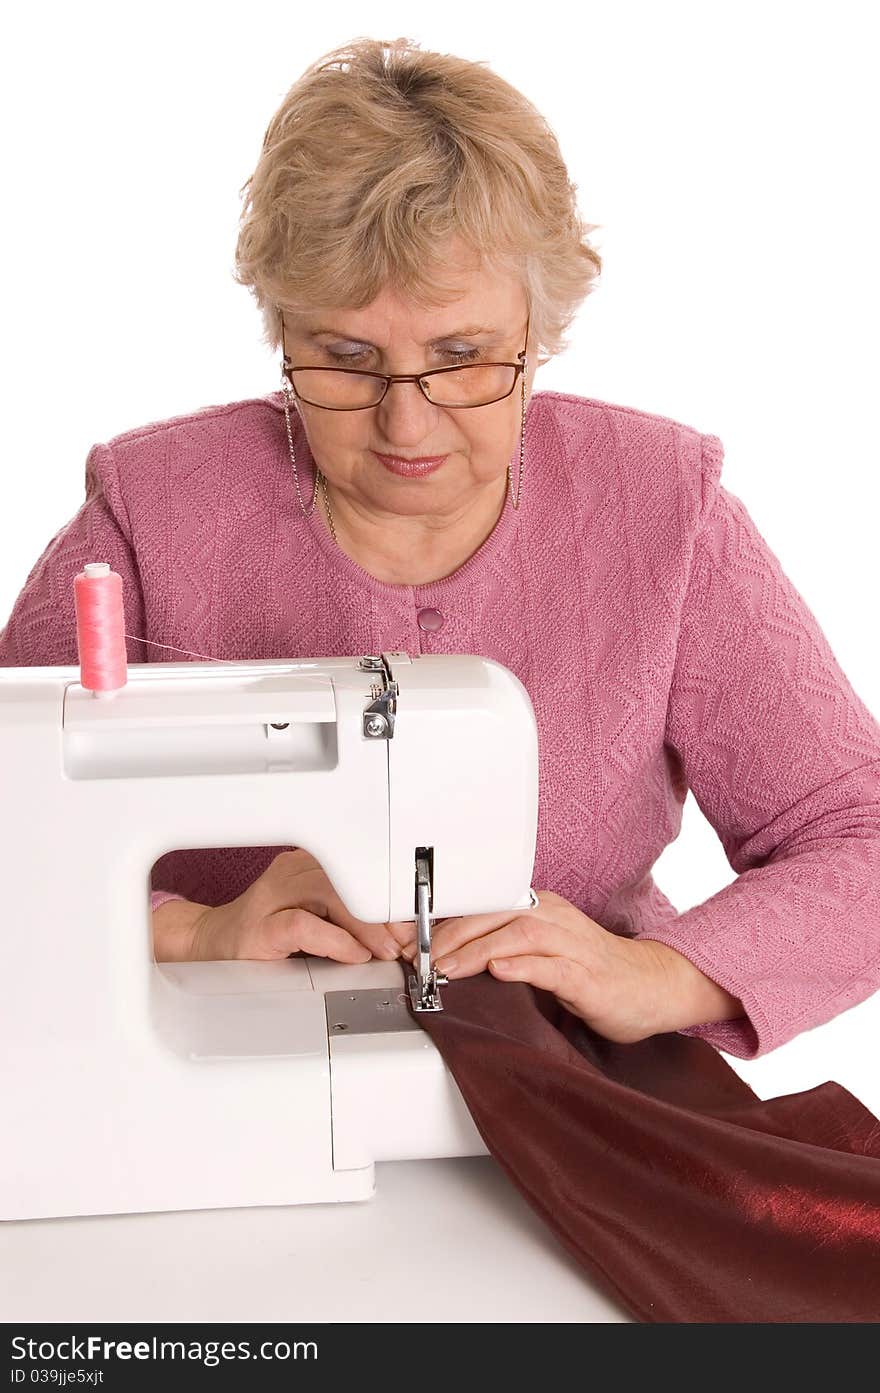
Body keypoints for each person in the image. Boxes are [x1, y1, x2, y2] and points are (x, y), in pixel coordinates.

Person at [2, 35, 879, 1060]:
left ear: (538, 327)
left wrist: (659, 973)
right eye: (344, 358)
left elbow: (856, 838)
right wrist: (192, 930)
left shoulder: (660, 514)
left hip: (572, 1088)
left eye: (462, 359)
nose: (405, 426)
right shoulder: (154, 518)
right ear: (280, 325)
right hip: (204, 1072)